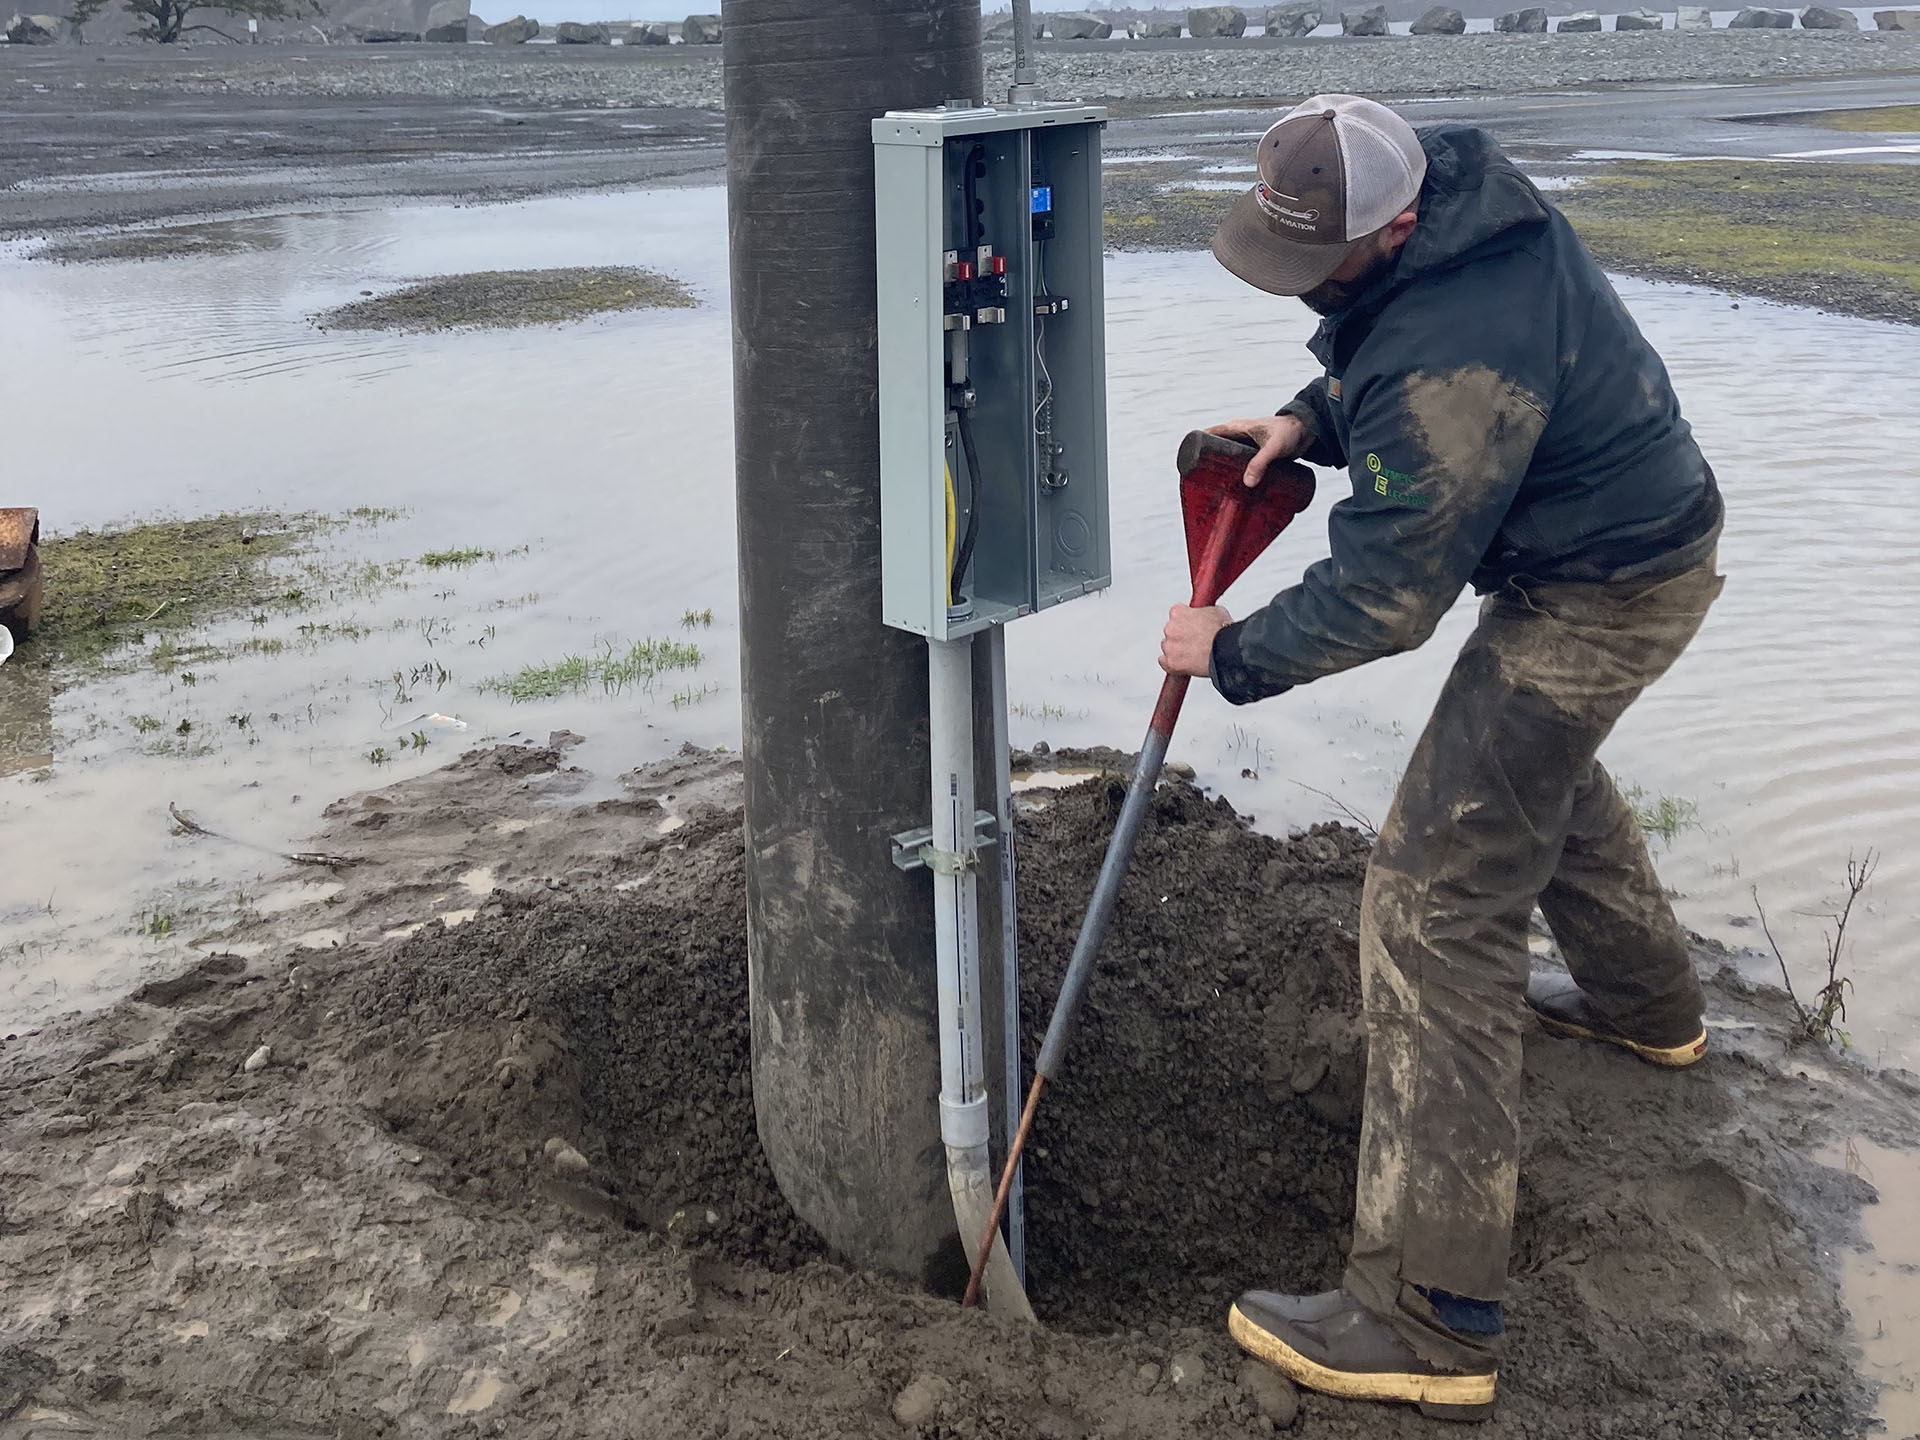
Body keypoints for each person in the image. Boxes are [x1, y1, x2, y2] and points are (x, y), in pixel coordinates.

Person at [1157, 94, 1725, 1422]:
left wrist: (1224, 652)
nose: (1309, 280)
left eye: (1322, 262)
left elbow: (1386, 600)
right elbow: (1392, 349)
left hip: (1603, 588)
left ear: (1392, 220)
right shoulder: (1462, 203)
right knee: (1532, 775)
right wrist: (1313, 415)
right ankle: (1654, 1013)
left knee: (1433, 904)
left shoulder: (1450, 345)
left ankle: (1426, 1313)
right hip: (1621, 544)